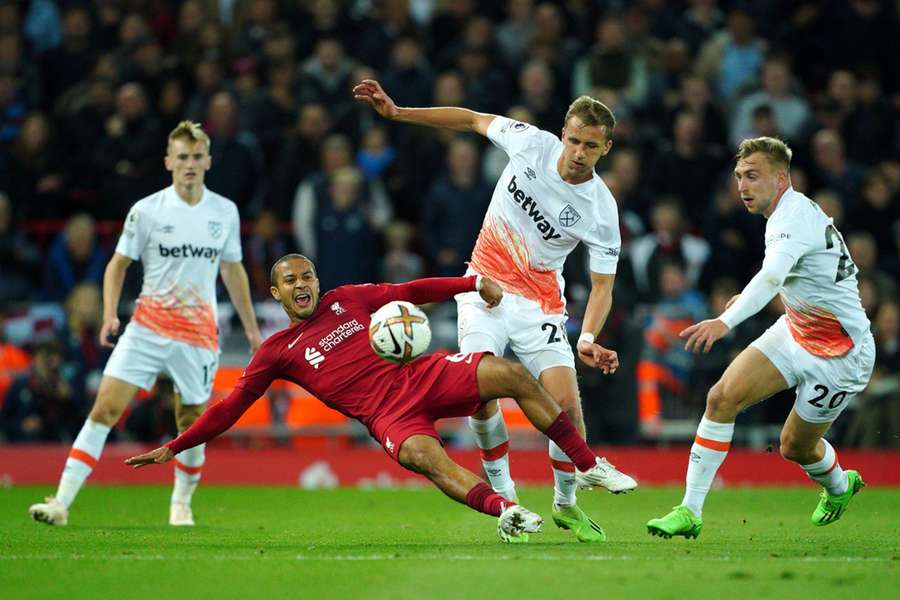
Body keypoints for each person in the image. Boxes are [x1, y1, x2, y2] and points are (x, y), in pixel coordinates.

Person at [124, 254, 623, 543]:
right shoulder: (278, 351)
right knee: (427, 458)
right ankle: (505, 511)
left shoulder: (348, 300)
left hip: (423, 374)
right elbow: (231, 406)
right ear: (275, 294)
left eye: (307, 276)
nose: (303, 285)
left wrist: (472, 283)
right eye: (290, 281)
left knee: (512, 373)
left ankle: (585, 463)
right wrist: (179, 444)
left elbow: (411, 288)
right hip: (388, 416)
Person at [353, 78, 635, 544]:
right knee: (479, 395)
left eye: (591, 146)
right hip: (483, 287)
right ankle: (508, 502)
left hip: (539, 303)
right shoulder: (530, 143)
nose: (579, 152)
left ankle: (567, 504)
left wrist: (586, 337)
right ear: (562, 132)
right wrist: (399, 112)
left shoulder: (601, 209)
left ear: (606, 148)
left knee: (566, 406)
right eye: (574, 140)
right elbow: (468, 118)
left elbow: (603, 284)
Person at [29, 121, 263, 527]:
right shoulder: (147, 210)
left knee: (191, 424)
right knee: (104, 408)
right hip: (147, 327)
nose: (189, 164)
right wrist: (108, 313)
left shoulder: (224, 211)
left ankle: (181, 502)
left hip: (198, 334)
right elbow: (117, 265)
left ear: (207, 160)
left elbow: (233, 270)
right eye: (182, 157)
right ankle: (61, 502)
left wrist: (253, 329)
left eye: (196, 157)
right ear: (168, 161)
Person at [647, 137, 876, 539]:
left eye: (753, 176)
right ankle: (690, 511)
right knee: (721, 398)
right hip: (796, 330)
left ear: (781, 177)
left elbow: (772, 276)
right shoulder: (786, 214)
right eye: (739, 177)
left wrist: (725, 320)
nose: (743, 186)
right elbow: (784, 276)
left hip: (840, 354)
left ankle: (840, 486)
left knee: (795, 448)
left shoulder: (792, 218)